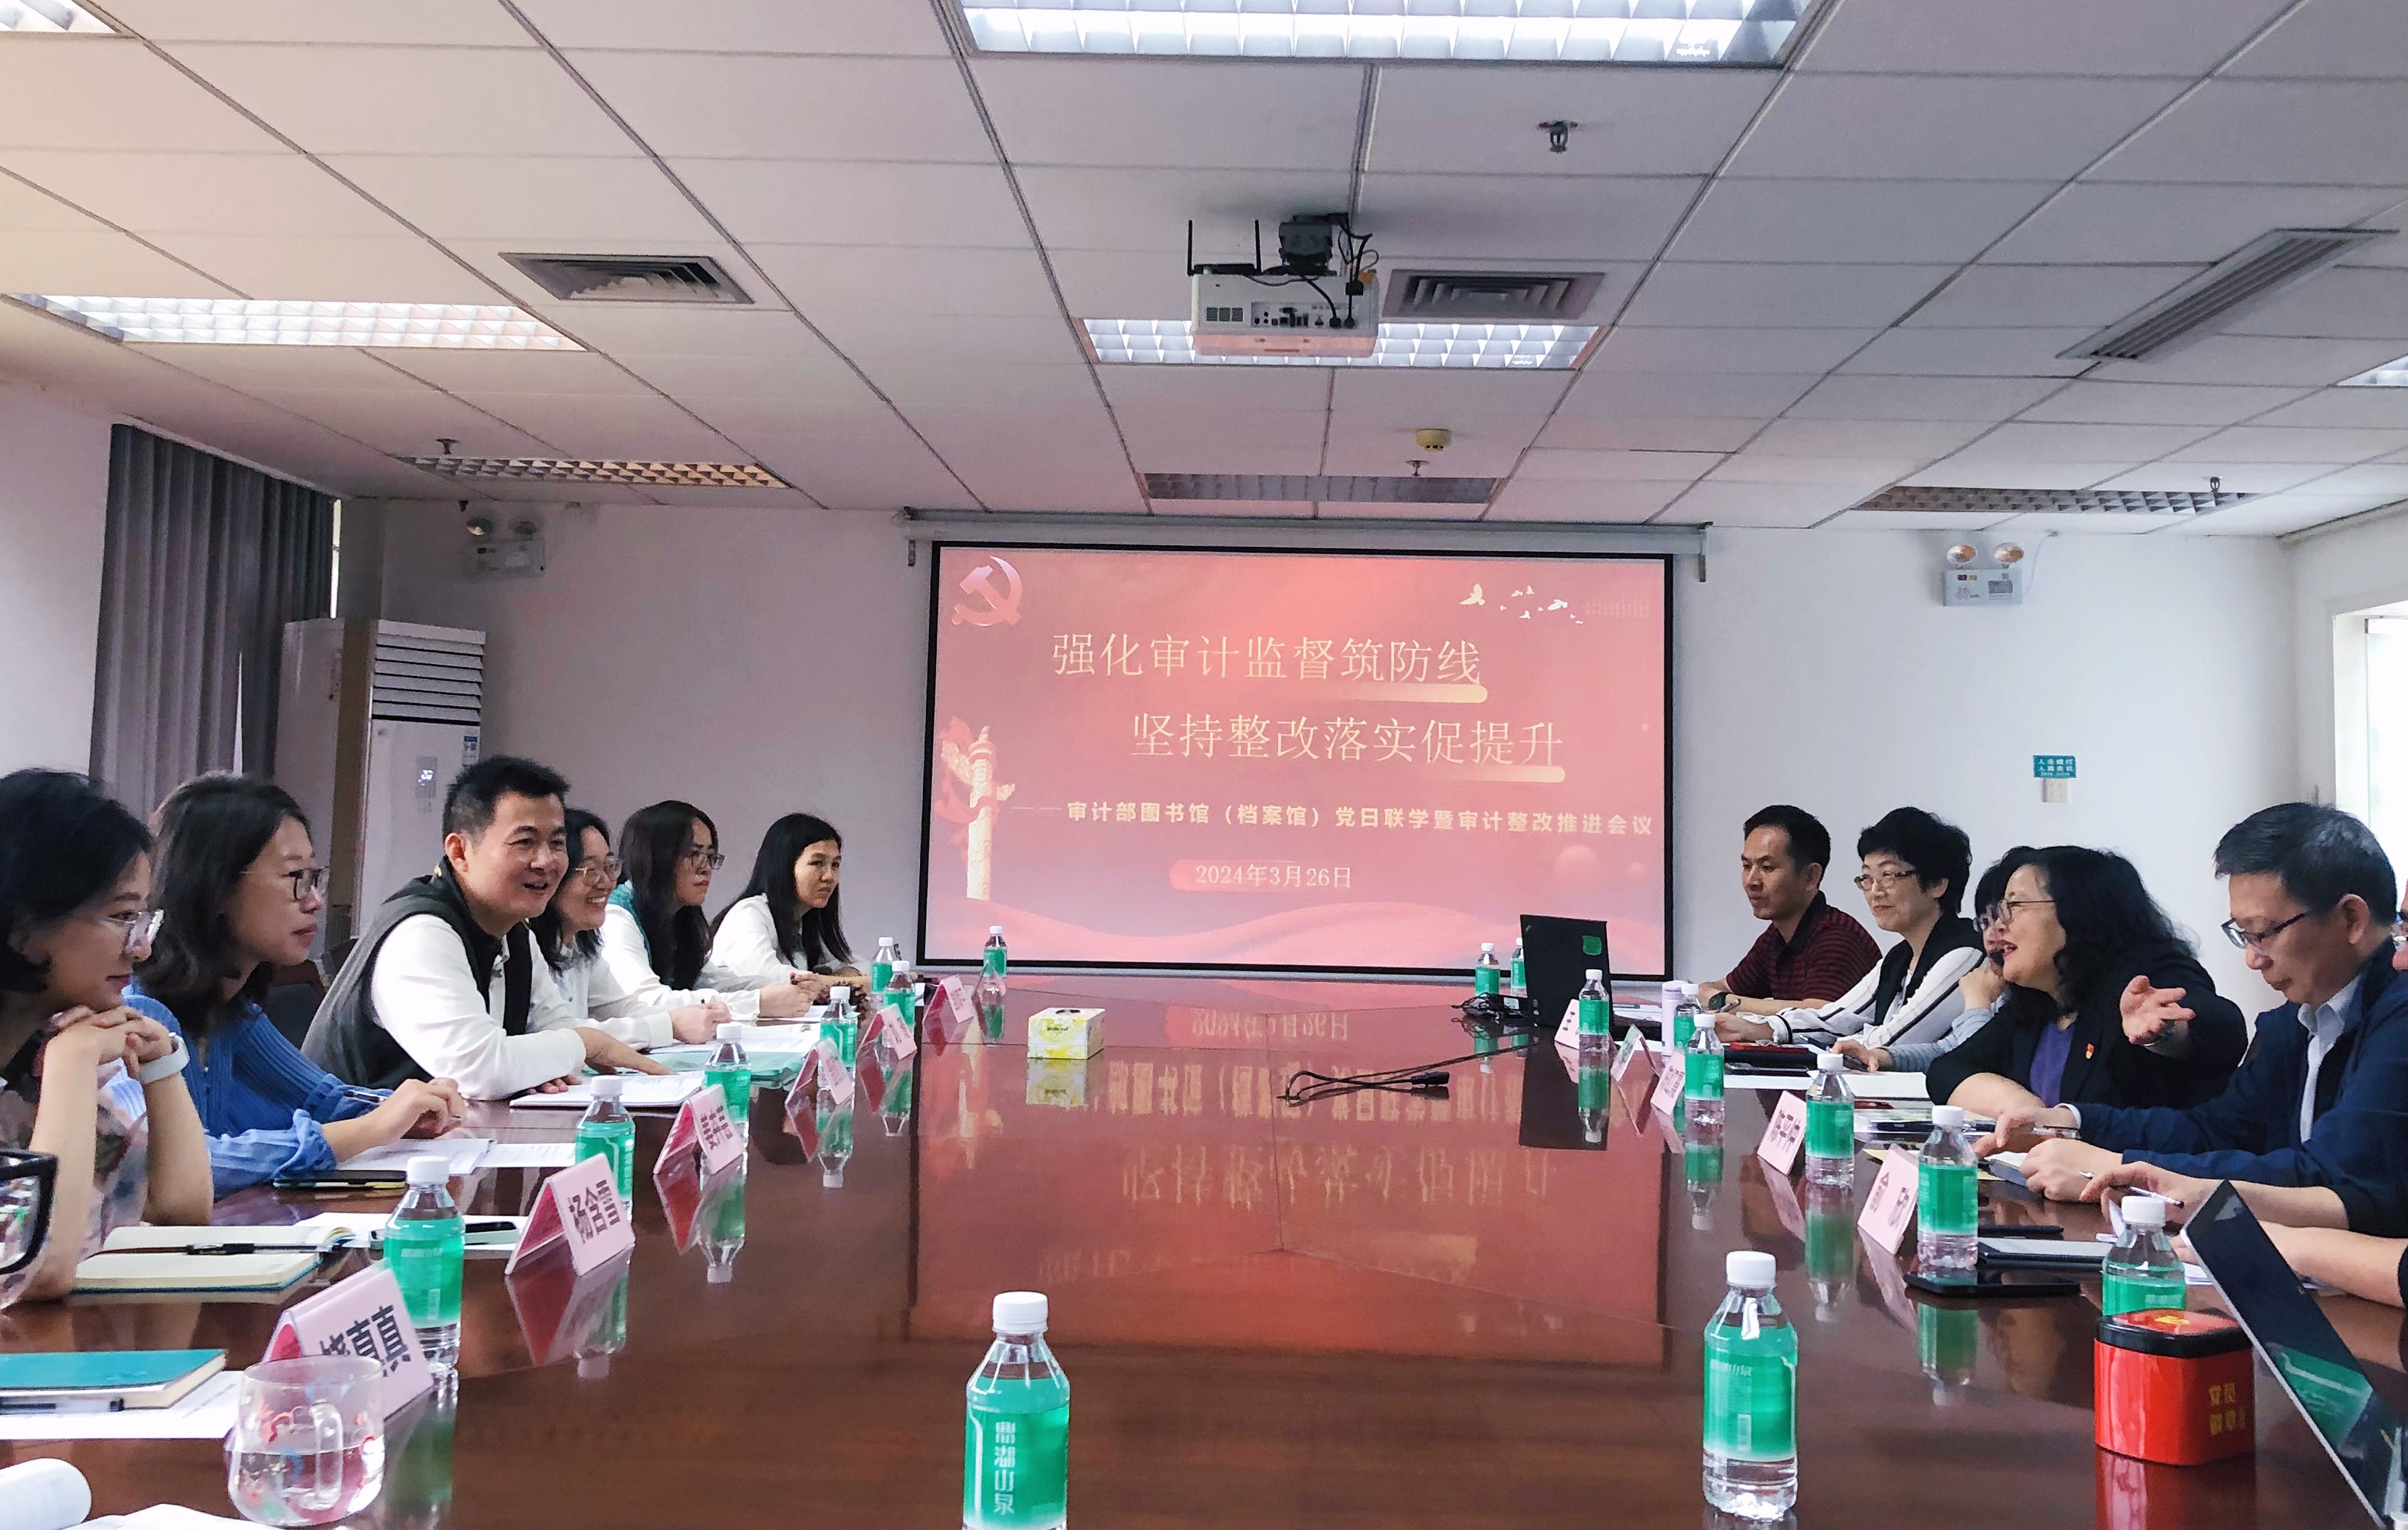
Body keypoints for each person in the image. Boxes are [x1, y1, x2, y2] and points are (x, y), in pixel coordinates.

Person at [1983, 805, 2408, 1221]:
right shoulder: (2294, 1021)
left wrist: (2116, 1165)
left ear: (2351, 918)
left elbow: (2334, 1177)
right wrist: (2073, 1122)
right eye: (2243, 935)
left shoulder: (2398, 1013)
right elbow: (2217, 1130)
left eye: (2262, 933)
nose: (2253, 960)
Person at [125, 775, 468, 1197]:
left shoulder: (231, 1009)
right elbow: (190, 1163)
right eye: (295, 877)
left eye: (314, 877)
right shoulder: (140, 1014)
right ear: (214, 886)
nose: (315, 900)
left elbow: (326, 1100)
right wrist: (372, 1128)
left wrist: (411, 1108)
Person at [304, 757, 665, 1099]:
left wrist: (543, 1060)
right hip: (350, 1141)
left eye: (557, 843)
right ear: (459, 852)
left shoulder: (514, 931)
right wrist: (583, 1046)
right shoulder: (420, 933)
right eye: (525, 842)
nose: (547, 861)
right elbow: (480, 1070)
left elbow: (554, 1025)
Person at [0, 769, 209, 1300]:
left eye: (144, 918)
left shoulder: (45, 1044)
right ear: (23, 927)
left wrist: (160, 1068)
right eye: (121, 916)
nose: (141, 947)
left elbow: (180, 1210)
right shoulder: (66, 1052)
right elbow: (30, 1268)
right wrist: (70, 1063)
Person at [1925, 846, 2247, 1119]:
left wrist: (2166, 1032)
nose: (1999, 926)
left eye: (2015, 906)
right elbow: (1947, 1070)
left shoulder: (2144, 978)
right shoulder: (2040, 1002)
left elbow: (2221, 1029)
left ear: (2078, 911)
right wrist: (2022, 1108)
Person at [1719, 807, 1982, 1049]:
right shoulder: (1898, 959)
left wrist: (1841, 1043)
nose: (1875, 891)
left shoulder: (1965, 954)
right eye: (1867, 878)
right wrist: (1762, 1029)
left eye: (1888, 876)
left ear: (1937, 884)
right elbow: (1836, 1018)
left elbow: (1895, 1039)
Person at [599, 801, 811, 1021]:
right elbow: (648, 1002)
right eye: (694, 854)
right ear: (655, 857)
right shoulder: (617, 917)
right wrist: (757, 1002)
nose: (706, 868)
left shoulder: (679, 916)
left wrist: (791, 985)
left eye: (710, 856)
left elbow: (710, 981)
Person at [533, 808, 727, 1048]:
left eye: (609, 867)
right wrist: (670, 1026)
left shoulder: (583, 944)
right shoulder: (616, 916)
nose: (606, 883)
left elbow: (624, 1008)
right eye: (591, 870)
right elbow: (560, 1033)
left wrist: (690, 1017)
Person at [1839, 849, 2034, 1075]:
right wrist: (1881, 1056)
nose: (1993, 933)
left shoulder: (1968, 957)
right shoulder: (2016, 997)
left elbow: (1975, 1067)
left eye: (2010, 916)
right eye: (1986, 921)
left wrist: (1977, 1002)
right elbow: (1948, 1049)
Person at [1700, 805, 1881, 1017]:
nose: (1751, 881)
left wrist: (1725, 1001)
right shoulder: (1775, 938)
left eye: (1767, 868)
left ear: (1811, 877)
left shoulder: (1837, 936)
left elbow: (1819, 1014)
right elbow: (1716, 989)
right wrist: (1718, 997)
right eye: (1747, 866)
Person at [708, 813, 862, 999]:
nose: (829, 876)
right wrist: (844, 983)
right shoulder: (749, 914)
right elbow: (769, 979)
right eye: (817, 863)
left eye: (835, 865)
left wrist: (848, 975)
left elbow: (859, 964)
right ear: (784, 866)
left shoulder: (805, 922)